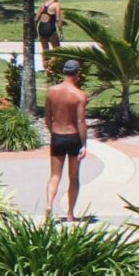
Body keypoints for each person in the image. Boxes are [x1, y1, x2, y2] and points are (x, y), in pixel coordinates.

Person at [44, 59, 89, 222]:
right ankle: (70, 214)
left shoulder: (51, 91)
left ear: (64, 72)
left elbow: (47, 117)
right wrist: (84, 144)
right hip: (73, 137)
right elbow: (81, 122)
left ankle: (49, 203)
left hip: (57, 136)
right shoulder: (80, 95)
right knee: (74, 177)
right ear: (77, 73)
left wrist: (53, 132)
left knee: (55, 175)